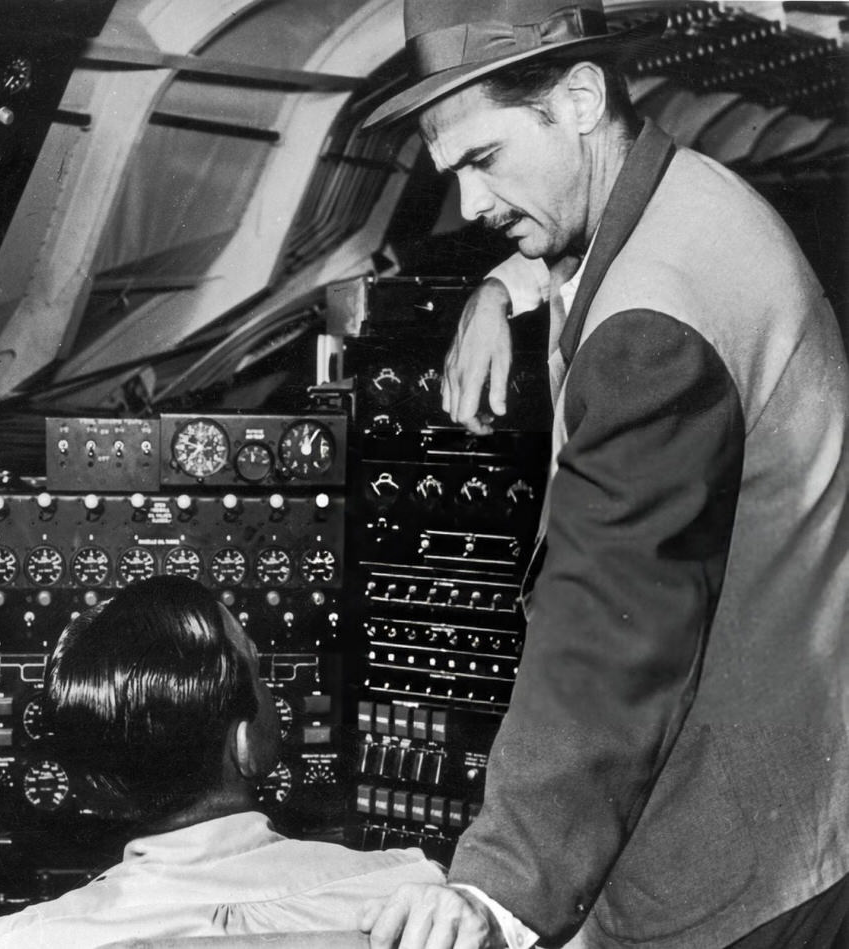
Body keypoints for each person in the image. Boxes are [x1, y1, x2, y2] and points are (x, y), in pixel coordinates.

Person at [358, 1, 849, 948]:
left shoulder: (651, 334)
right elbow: (599, 247)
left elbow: (612, 623)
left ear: (581, 98)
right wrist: (502, 288)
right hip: (801, 790)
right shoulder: (685, 193)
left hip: (740, 865)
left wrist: (499, 887)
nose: (468, 206)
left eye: (483, 160)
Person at [0, 576, 442, 948]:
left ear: (96, 782)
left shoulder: (3, 942)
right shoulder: (416, 899)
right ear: (245, 744)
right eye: (258, 671)